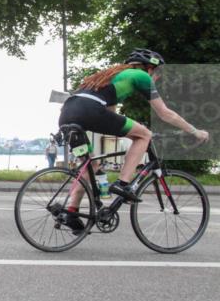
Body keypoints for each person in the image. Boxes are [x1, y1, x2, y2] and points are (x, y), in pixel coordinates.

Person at [58, 48, 209, 232]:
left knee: (91, 165)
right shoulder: (141, 76)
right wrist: (195, 131)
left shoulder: (109, 77)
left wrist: (130, 135)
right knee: (144, 134)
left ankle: (71, 212)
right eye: (158, 73)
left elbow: (110, 118)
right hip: (90, 110)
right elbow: (164, 113)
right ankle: (123, 184)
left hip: (67, 114)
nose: (158, 78)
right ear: (149, 67)